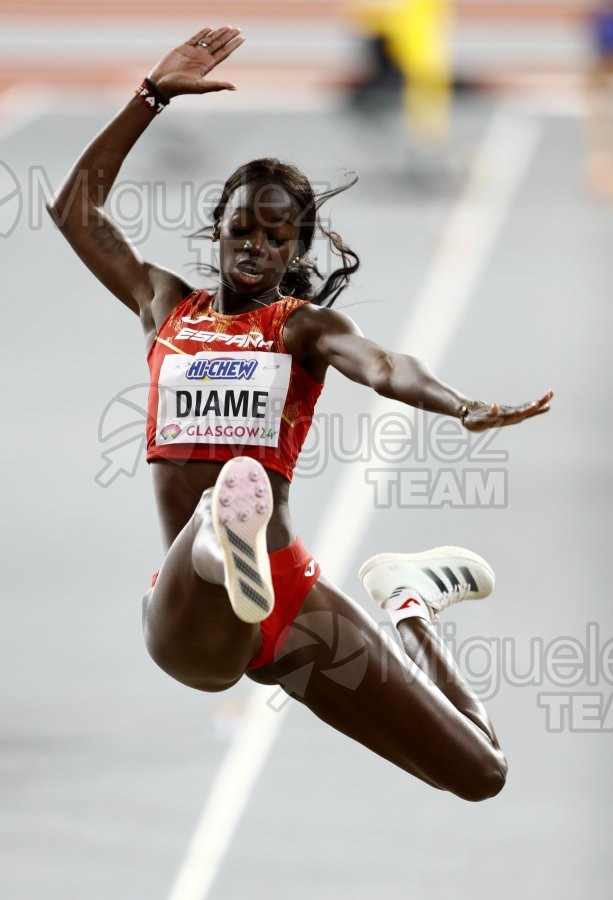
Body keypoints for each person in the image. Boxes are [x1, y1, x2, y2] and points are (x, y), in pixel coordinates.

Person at [47, 25, 552, 802]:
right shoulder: (164, 307)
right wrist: (150, 97)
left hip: (288, 597)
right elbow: (75, 208)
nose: (255, 246)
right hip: (188, 613)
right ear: (218, 229)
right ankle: (222, 540)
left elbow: (383, 365)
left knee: (482, 772)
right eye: (242, 228)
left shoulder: (303, 330)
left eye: (276, 237)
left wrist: (457, 405)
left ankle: (407, 600)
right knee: (225, 504)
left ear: (294, 251)